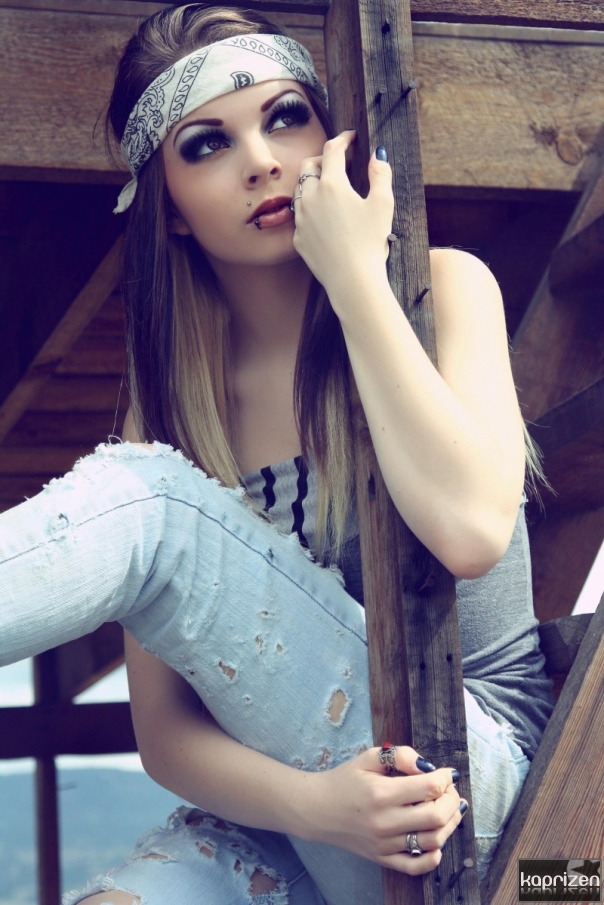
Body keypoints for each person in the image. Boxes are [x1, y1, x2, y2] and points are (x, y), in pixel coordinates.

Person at [0, 5, 553, 904]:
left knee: (157, 504)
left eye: (286, 117)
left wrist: (355, 277)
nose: (261, 159)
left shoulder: (447, 288)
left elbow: (471, 533)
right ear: (172, 211)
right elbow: (166, 736)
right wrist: (317, 807)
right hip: (311, 820)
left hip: (495, 812)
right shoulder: (167, 407)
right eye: (208, 144)